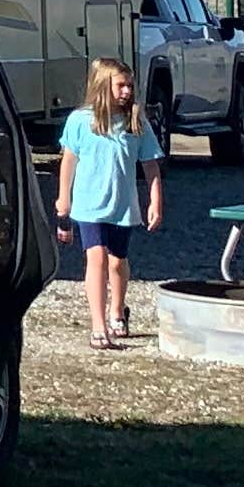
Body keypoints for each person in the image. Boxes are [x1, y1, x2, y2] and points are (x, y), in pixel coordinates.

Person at [54, 57, 165, 347]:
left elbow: (151, 165)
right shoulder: (80, 121)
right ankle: (98, 326)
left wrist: (154, 201)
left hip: (122, 205)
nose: (127, 91)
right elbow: (68, 161)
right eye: (121, 85)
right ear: (103, 86)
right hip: (89, 205)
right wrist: (64, 198)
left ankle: (118, 309)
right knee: (97, 258)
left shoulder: (135, 122)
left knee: (117, 262)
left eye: (130, 86)